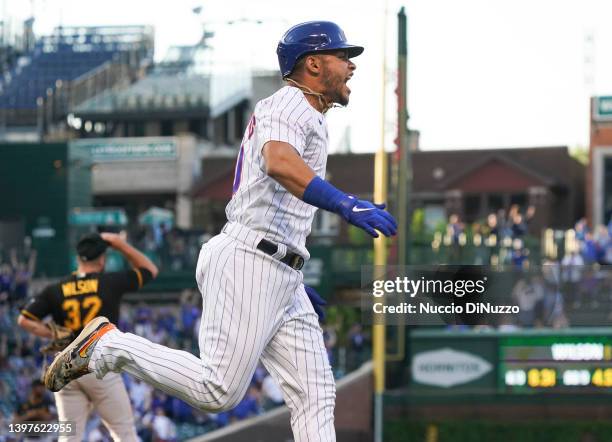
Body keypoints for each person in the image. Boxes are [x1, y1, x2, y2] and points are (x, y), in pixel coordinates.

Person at [44, 21, 397, 442]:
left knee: (317, 393)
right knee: (218, 391)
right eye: (344, 57)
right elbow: (280, 163)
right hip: (252, 259)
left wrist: (292, 274)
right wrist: (343, 202)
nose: (351, 66)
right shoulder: (289, 104)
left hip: (277, 266)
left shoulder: (310, 114)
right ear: (314, 64)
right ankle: (108, 346)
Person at [17, 232, 158, 441]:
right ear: (102, 259)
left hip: (65, 365)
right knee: (124, 433)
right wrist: (120, 245)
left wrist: (53, 332)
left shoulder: (56, 289)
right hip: (98, 362)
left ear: (78, 259)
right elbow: (150, 270)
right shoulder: (109, 282)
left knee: (69, 436)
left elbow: (24, 320)